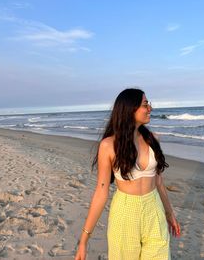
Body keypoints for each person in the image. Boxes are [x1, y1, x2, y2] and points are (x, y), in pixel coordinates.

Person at [75, 88, 181, 260]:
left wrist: (170, 214)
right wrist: (84, 240)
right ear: (130, 109)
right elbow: (101, 193)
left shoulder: (152, 138)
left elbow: (159, 182)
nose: (150, 108)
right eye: (145, 104)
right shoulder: (108, 145)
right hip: (125, 213)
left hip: (154, 209)